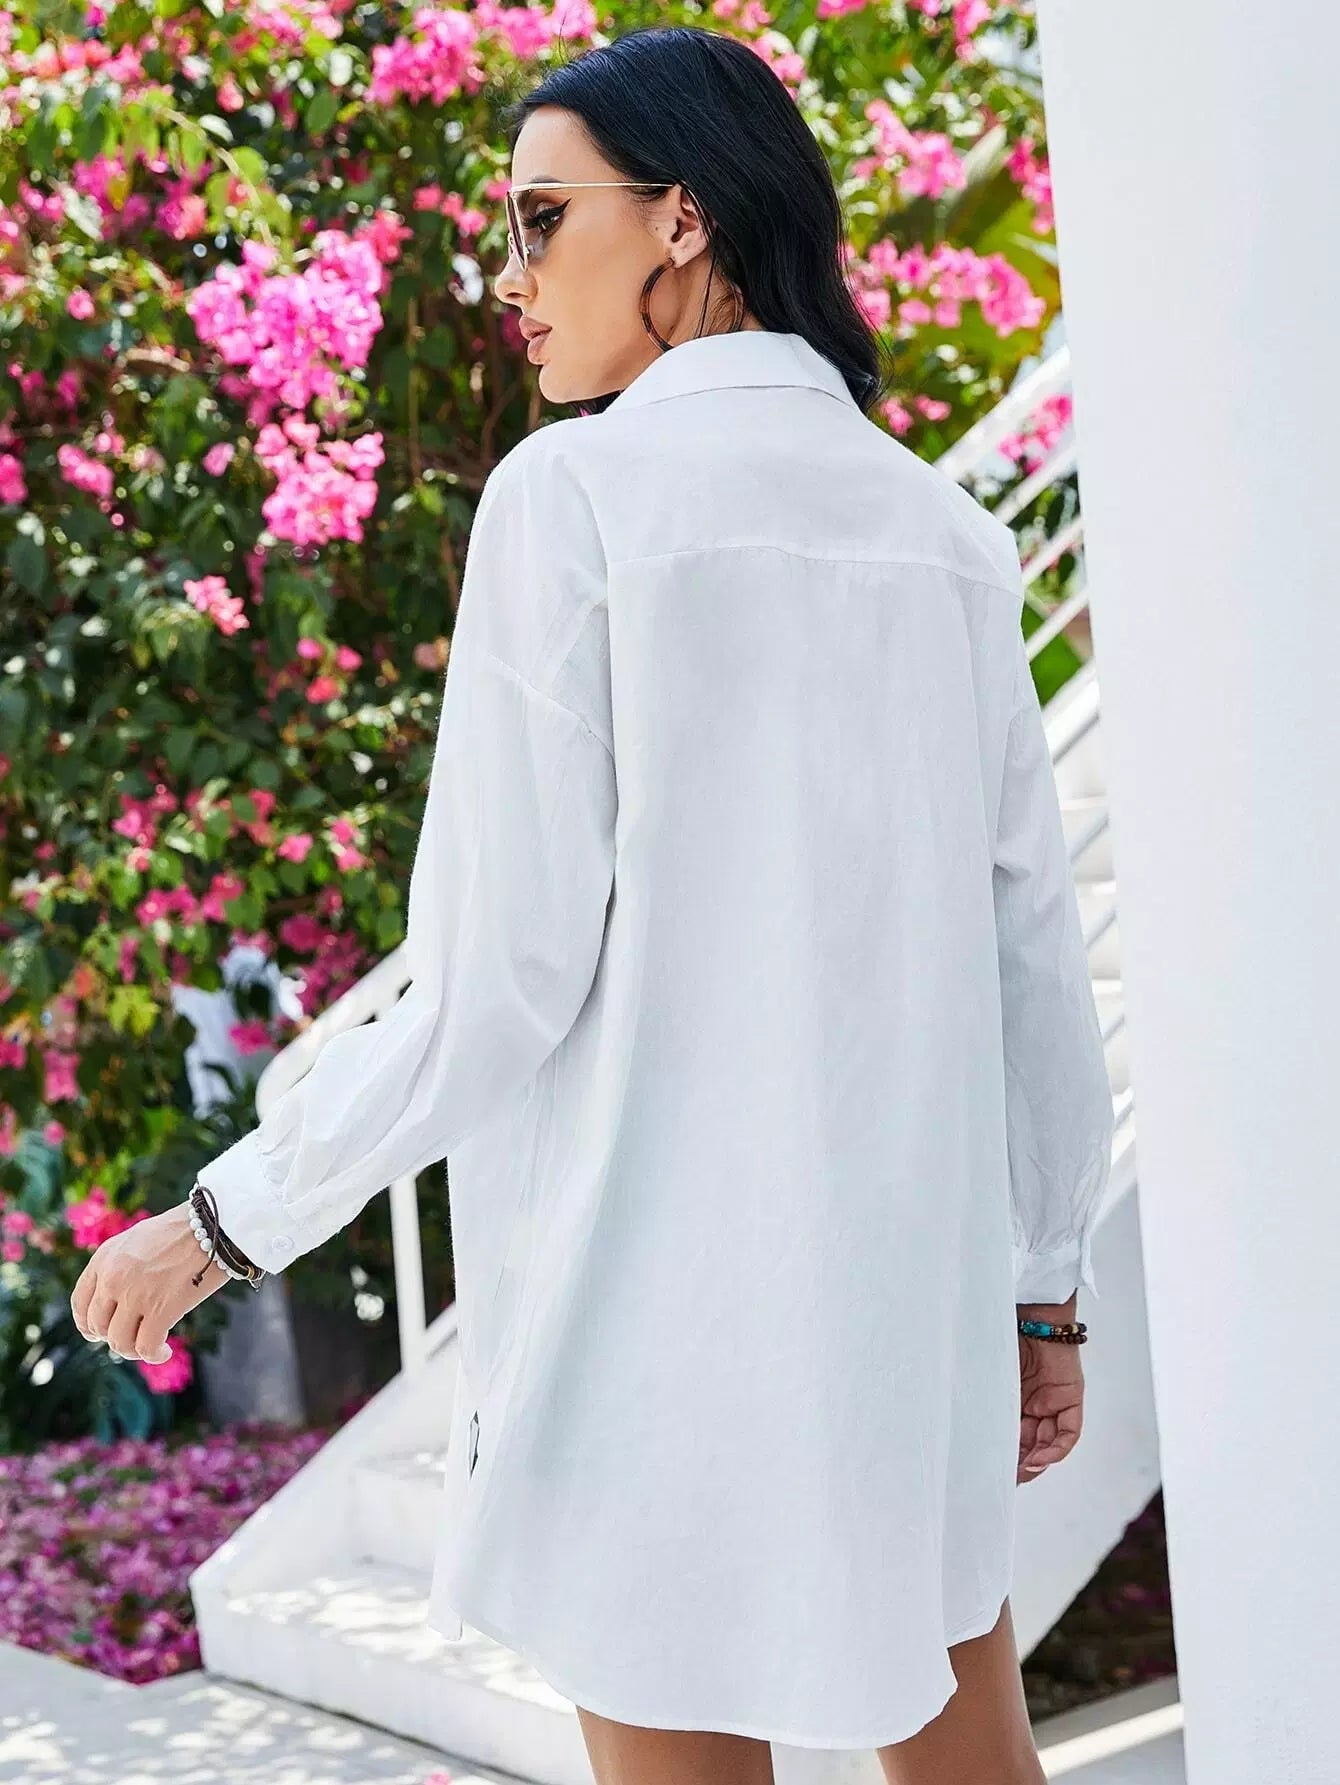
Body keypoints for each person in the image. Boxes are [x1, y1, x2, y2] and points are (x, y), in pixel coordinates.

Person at [70, 23, 1115, 1785]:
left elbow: (498, 975)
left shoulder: (576, 501)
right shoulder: (944, 534)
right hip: (904, 1321)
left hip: (656, 1321)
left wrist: (228, 1220)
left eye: (543, 219)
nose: (514, 276)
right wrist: (1042, 1291)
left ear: (683, 218)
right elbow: (1034, 965)